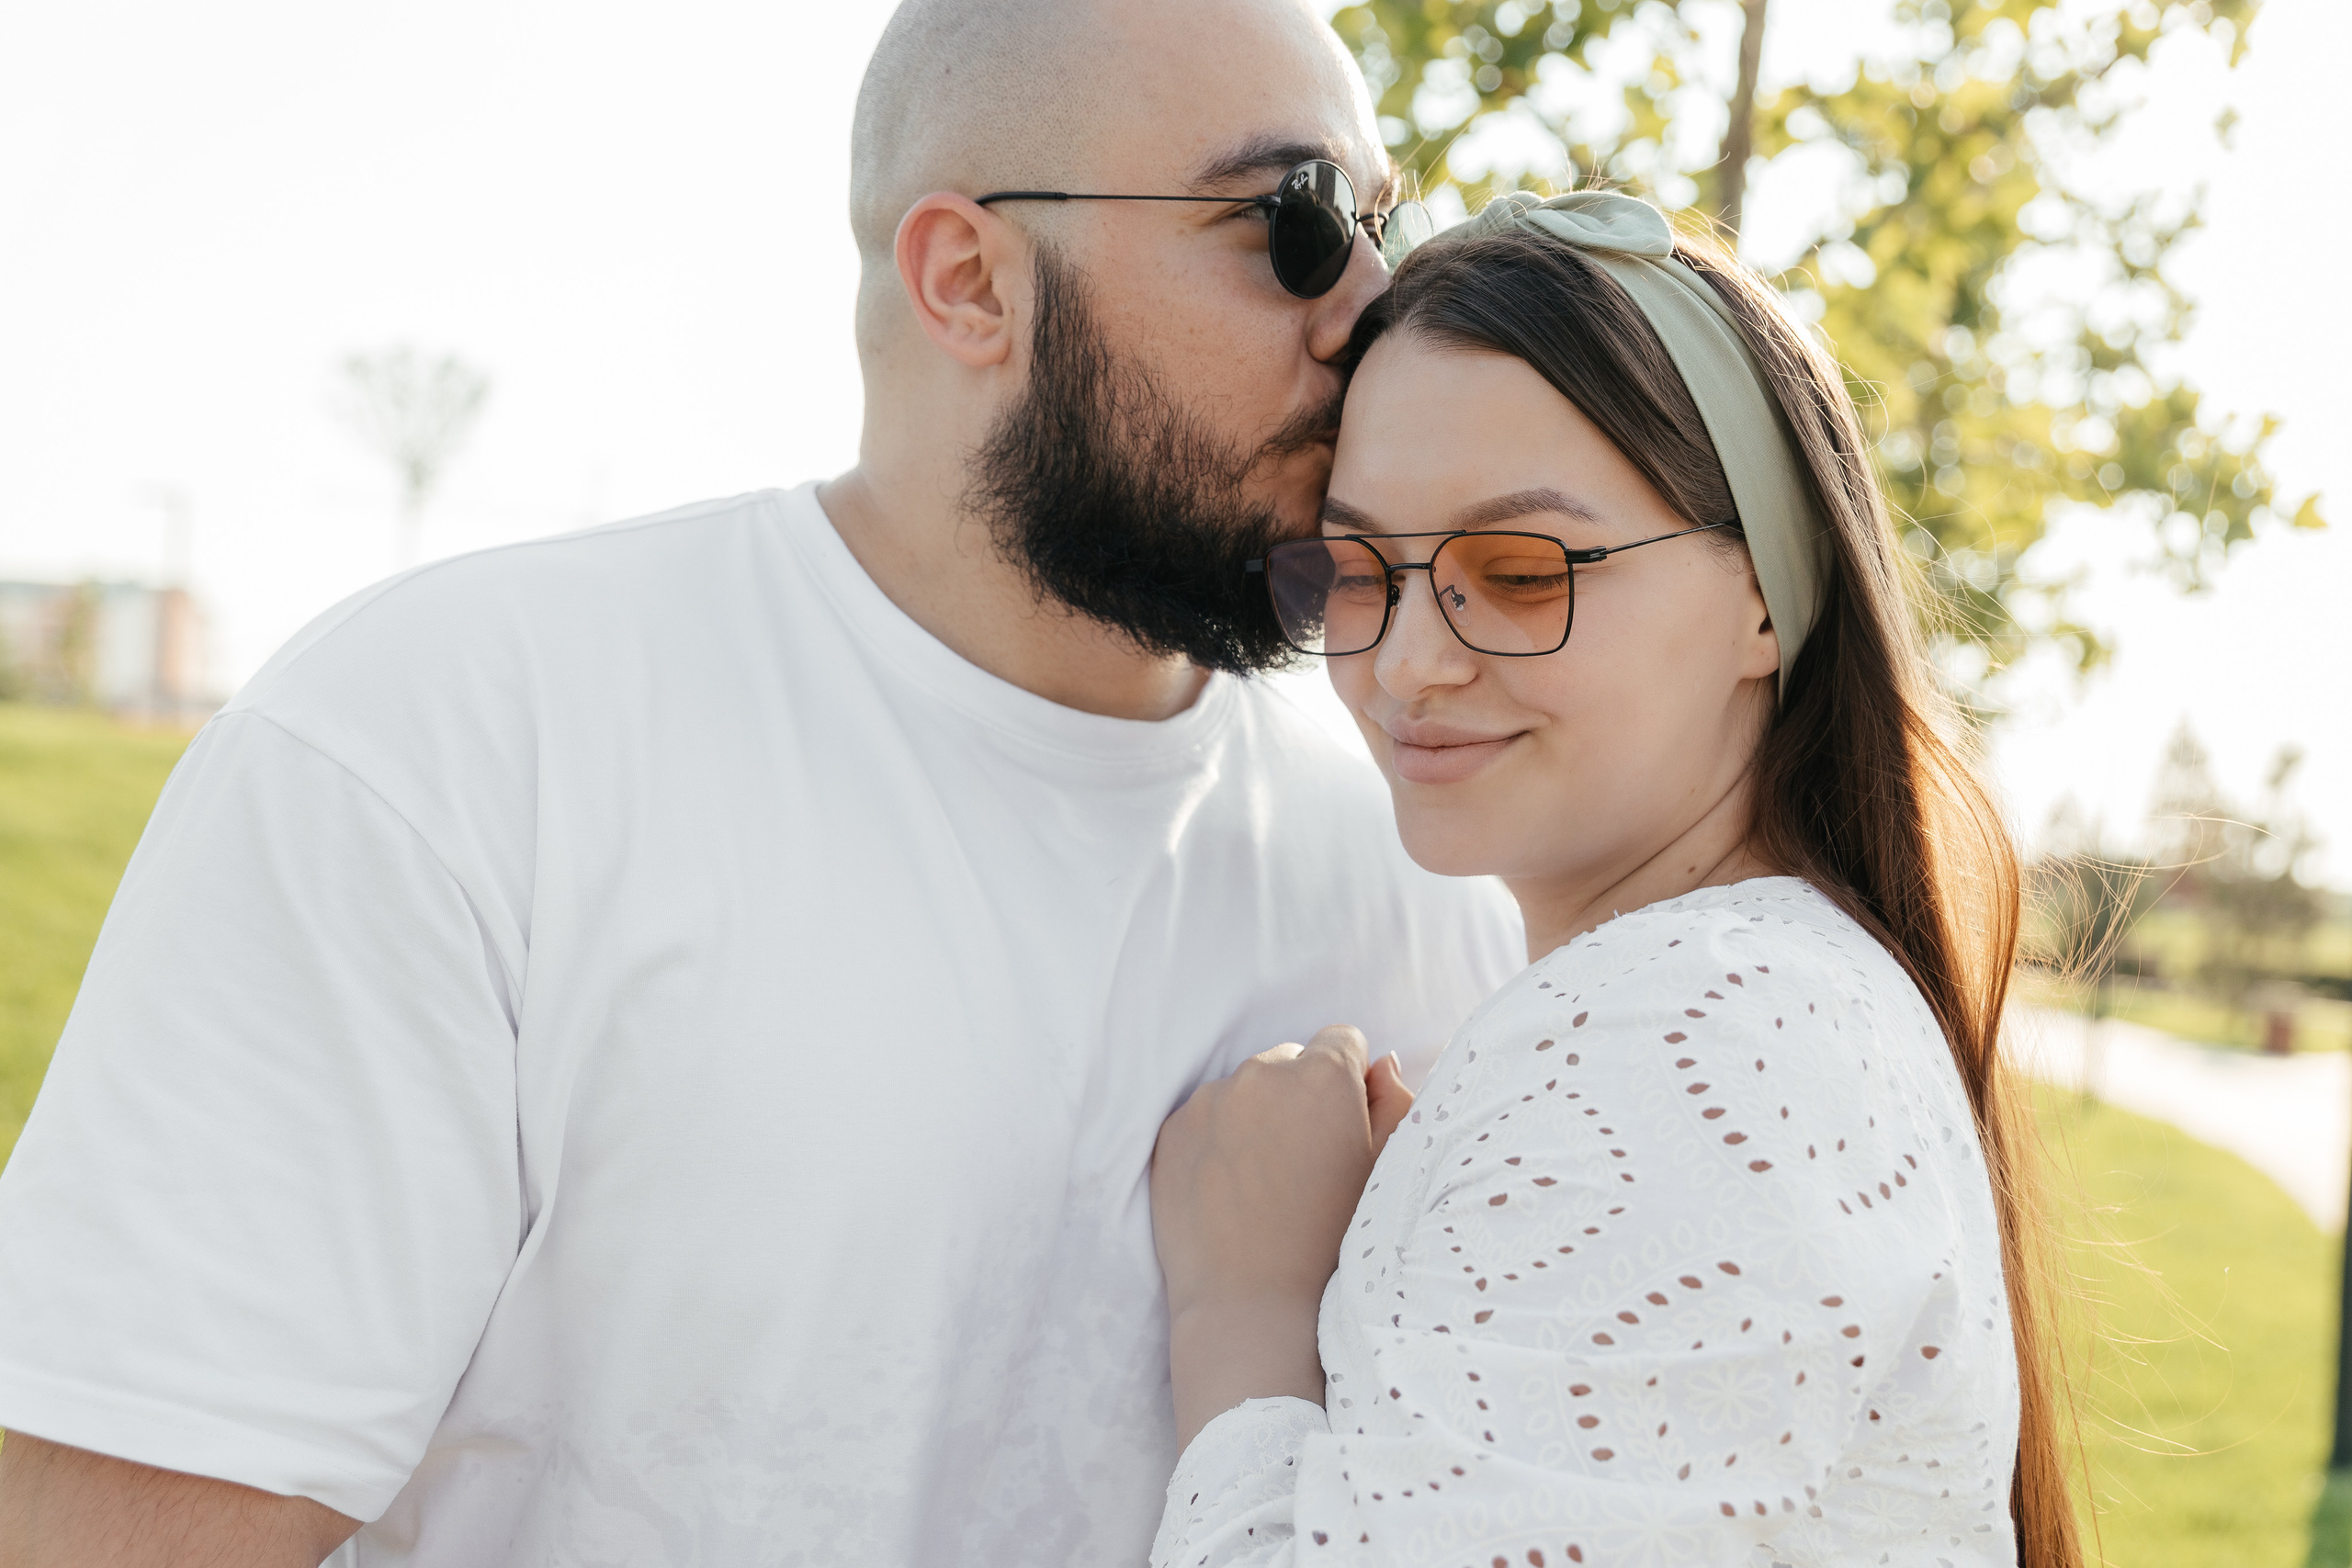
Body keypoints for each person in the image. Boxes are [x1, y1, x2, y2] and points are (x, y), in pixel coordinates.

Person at [0, 2, 1521, 1563]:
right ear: (971, 281)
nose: (1374, 308)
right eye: (1297, 221)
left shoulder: (1435, 865)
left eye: (1385, 231)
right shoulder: (449, 747)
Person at [1146, 191, 2079, 1566]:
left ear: (1766, 592)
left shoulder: (1693, 1027)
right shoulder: (1764, 1000)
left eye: (1519, 572)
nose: (1407, 664)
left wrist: (1245, 1318)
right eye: (1357, 571)